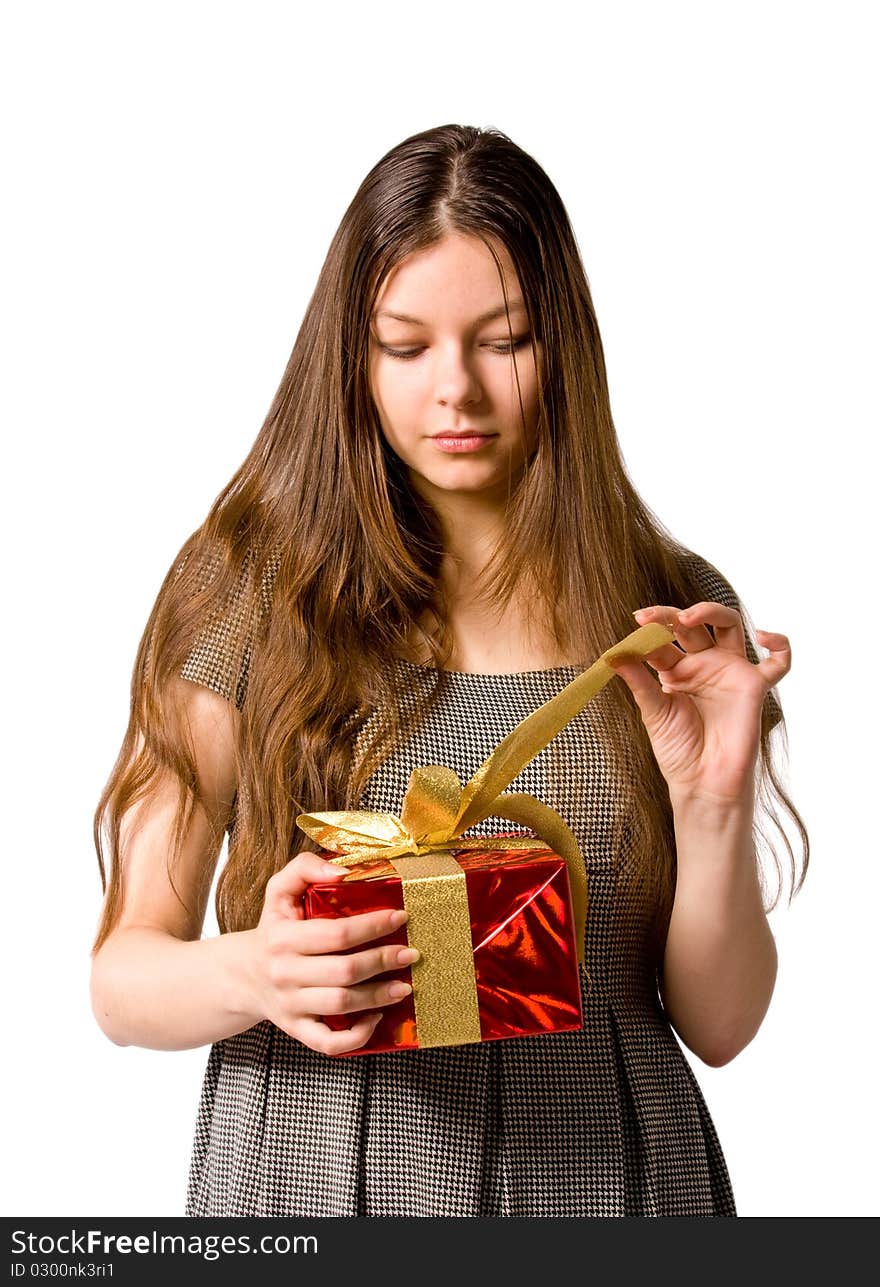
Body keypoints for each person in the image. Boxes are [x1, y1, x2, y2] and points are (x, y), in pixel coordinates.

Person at [89, 123, 808, 1218]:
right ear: (352, 354)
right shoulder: (246, 590)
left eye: (503, 339)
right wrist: (255, 971)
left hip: (606, 1186)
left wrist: (710, 807)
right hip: (315, 1185)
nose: (455, 392)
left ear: (561, 344)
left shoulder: (663, 608)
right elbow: (121, 979)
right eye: (405, 345)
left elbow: (717, 1026)